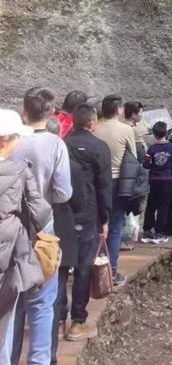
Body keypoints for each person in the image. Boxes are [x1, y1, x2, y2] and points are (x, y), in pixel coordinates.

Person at [8, 88, 71, 364]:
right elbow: (63, 193)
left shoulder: (10, 140)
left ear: (24, 110)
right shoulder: (56, 144)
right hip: (42, 228)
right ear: (50, 113)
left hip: (8, 225)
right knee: (43, 304)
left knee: (8, 305)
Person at [0, 110, 52, 365]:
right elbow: (39, 212)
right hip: (9, 252)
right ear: (4, 141)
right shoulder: (20, 170)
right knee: (4, 317)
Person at [59, 104, 112, 344]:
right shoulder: (99, 147)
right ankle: (77, 322)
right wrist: (105, 218)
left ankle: (58, 320)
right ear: (92, 123)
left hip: (63, 214)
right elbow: (103, 186)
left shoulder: (61, 144)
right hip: (89, 214)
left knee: (60, 268)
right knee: (82, 269)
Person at [94, 93, 137, 286]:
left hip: (95, 183)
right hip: (118, 182)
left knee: (98, 226)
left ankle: (93, 268)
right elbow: (133, 156)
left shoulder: (94, 128)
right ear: (119, 110)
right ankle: (111, 270)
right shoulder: (126, 129)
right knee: (116, 226)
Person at [50, 153, 85, 360]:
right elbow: (78, 201)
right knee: (58, 283)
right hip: (60, 226)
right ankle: (59, 326)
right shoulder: (70, 165)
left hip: (25, 232)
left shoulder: (18, 156)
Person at [141, 122, 172, 244]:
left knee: (151, 205)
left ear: (154, 135)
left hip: (154, 181)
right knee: (164, 206)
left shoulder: (152, 148)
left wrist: (153, 164)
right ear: (166, 133)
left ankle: (147, 231)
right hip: (167, 180)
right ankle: (160, 233)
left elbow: (146, 164)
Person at [121, 101, 148, 251]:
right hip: (133, 171)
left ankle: (132, 234)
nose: (142, 115)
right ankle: (130, 235)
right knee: (133, 204)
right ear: (133, 114)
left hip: (134, 170)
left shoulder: (132, 127)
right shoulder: (130, 130)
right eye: (140, 113)